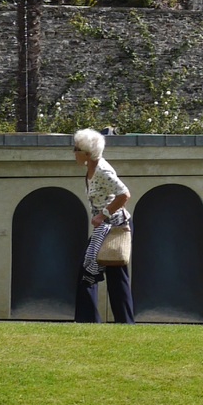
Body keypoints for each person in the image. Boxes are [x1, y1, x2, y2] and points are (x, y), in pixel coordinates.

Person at [74, 128, 134, 323]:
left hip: (115, 226)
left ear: (87, 153)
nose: (73, 152)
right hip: (105, 227)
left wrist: (103, 214)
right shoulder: (91, 168)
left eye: (76, 148)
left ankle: (91, 320)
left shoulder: (102, 170)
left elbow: (124, 194)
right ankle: (120, 322)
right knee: (103, 274)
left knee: (94, 270)